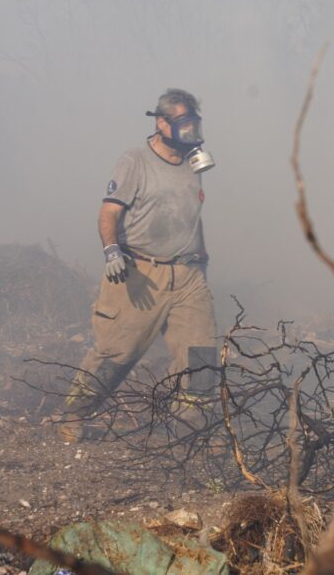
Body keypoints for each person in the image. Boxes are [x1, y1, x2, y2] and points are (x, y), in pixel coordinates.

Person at [58, 88, 219, 443]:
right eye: (182, 124)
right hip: (140, 271)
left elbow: (194, 215)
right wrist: (112, 250)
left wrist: (202, 261)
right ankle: (73, 413)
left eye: (194, 123)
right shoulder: (135, 161)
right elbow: (109, 211)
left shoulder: (194, 164)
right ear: (162, 122)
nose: (190, 132)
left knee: (202, 358)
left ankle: (194, 431)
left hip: (189, 274)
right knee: (117, 351)